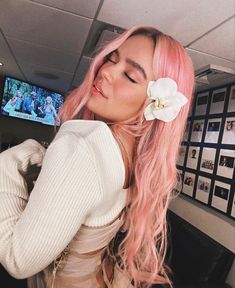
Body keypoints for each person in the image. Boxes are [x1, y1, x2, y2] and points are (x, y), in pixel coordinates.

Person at [0, 25, 195, 288]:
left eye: (129, 75)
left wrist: (10, 162)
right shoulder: (135, 161)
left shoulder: (84, 146)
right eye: (111, 59)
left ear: (155, 106)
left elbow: (18, 260)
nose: (105, 71)